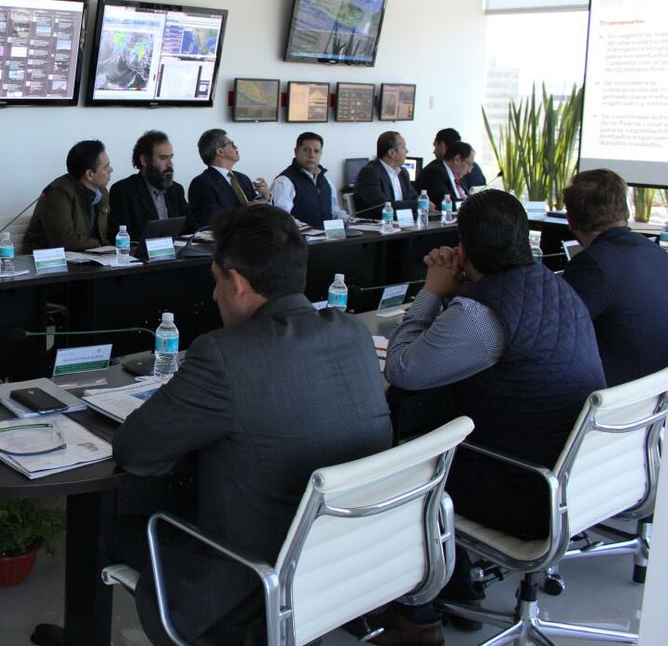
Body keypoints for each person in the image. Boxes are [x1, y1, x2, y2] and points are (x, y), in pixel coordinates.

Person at [112, 204, 392, 646]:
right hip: (340, 562)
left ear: (238, 282)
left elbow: (135, 451)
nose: (214, 296)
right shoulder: (353, 334)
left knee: (112, 522)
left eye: (216, 281)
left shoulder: (224, 354)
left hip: (248, 582)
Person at [381, 190, 604, 644]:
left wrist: (432, 291)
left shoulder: (481, 314)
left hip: (522, 488)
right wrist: (461, 288)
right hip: (576, 477)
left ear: (464, 250)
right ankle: (459, 586)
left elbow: (403, 370)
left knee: (401, 468)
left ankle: (417, 616)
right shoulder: (554, 285)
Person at [563, 169, 668, 387]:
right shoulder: (657, 253)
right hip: (655, 394)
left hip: (613, 395)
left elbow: (555, 334)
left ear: (571, 220)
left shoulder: (591, 265)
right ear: (624, 210)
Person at [23, 139, 113, 251]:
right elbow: (64, 241)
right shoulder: (57, 194)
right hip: (48, 258)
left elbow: (103, 234)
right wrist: (99, 245)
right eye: (106, 167)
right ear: (89, 174)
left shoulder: (102, 192)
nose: (111, 170)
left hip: (86, 255)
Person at [106, 130, 190, 242]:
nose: (170, 164)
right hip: (140, 252)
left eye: (171, 157)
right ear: (144, 160)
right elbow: (119, 237)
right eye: (163, 158)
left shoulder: (176, 190)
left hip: (176, 251)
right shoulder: (123, 190)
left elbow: (188, 228)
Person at [187, 129, 268, 228]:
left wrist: (265, 196)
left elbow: (256, 208)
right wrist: (244, 210)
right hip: (226, 235)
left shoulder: (243, 178)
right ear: (220, 151)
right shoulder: (201, 183)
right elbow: (210, 219)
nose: (236, 147)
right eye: (232, 144)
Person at [269, 131, 348, 228]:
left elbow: (334, 211)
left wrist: (351, 220)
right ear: (296, 152)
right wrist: (307, 228)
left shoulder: (327, 182)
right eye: (306, 150)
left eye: (316, 151)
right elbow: (283, 217)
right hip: (300, 236)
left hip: (331, 235)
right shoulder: (284, 181)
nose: (312, 155)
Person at [352, 131, 417, 218]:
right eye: (403, 147)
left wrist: (424, 203)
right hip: (378, 223)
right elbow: (381, 205)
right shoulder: (369, 173)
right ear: (392, 153)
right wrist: (417, 204)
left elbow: (414, 198)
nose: (407, 151)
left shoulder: (403, 173)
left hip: (404, 222)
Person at [414, 140, 474, 211]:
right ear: (457, 159)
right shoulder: (435, 172)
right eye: (469, 164)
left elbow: (467, 199)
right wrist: (472, 205)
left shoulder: (458, 176)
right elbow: (446, 202)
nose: (470, 171)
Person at [434, 127, 487, 192]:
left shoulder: (459, 172)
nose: (434, 151)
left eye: (435, 146)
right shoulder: (437, 171)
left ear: (442, 145)